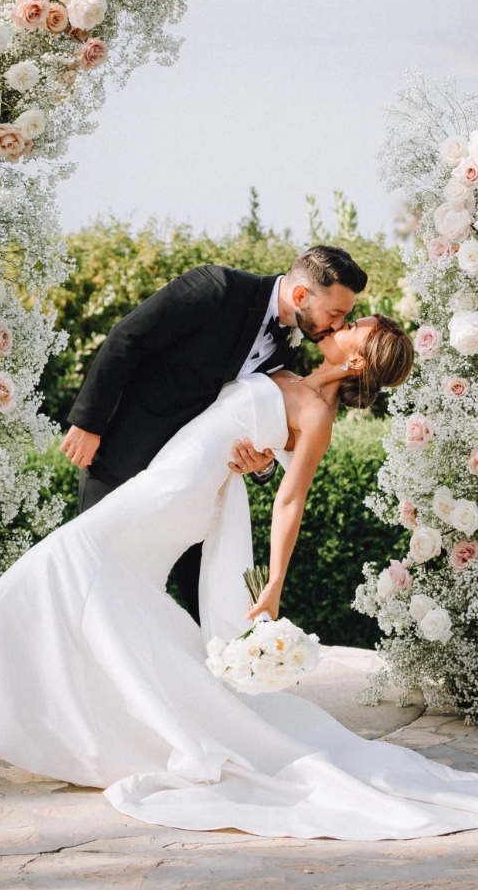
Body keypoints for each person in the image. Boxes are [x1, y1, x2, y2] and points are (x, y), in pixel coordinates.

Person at [0, 317, 478, 842]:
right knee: (97, 583)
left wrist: (272, 588)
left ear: (359, 361)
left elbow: (291, 501)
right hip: (175, 473)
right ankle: (74, 708)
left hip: (177, 495)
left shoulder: (319, 412)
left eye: (357, 330)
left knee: (66, 559)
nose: (347, 326)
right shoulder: (283, 368)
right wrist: (251, 448)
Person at [61, 245, 368, 622]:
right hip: (126, 452)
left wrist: (261, 466)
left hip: (198, 483)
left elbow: (254, 419)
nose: (337, 325)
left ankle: (212, 667)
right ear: (301, 295)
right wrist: (89, 422)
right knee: (93, 570)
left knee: (201, 600)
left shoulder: (289, 351)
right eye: (335, 314)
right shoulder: (217, 288)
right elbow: (129, 336)